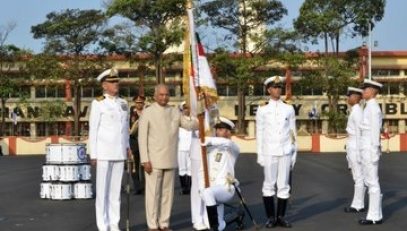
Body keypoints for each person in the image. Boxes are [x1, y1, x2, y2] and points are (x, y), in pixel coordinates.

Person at [138, 84, 198, 231]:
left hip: (170, 159)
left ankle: (164, 223)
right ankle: (152, 225)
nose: (164, 97)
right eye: (161, 95)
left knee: (167, 195)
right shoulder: (148, 112)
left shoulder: (174, 111)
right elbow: (142, 138)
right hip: (153, 160)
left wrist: (201, 115)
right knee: (153, 195)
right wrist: (145, 159)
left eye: (166, 94)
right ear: (155, 96)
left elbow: (189, 125)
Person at [88, 68, 132, 231]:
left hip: (119, 152)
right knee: (102, 192)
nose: (116, 84)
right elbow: (93, 129)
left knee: (115, 192)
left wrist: (127, 147)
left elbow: (125, 128)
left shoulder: (123, 103)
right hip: (104, 153)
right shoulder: (98, 103)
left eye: (117, 81)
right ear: (104, 85)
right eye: (112, 82)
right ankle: (102, 224)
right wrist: (93, 153)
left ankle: (114, 223)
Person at [256, 76, 297, 228]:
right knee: (268, 184)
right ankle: (270, 217)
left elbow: (293, 132)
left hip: (285, 150)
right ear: (268, 90)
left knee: (284, 185)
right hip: (269, 151)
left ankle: (280, 217)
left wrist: (294, 153)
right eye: (274, 87)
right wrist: (260, 154)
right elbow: (259, 132)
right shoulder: (262, 109)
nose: (278, 89)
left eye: (279, 87)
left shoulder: (289, 108)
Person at [201, 117, 240, 231]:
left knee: (208, 193)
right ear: (216, 131)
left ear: (229, 133)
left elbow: (226, 142)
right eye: (221, 129)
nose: (224, 132)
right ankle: (222, 223)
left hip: (226, 188)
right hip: (213, 188)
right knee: (209, 223)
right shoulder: (208, 148)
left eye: (227, 130)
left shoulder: (232, 148)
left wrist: (206, 140)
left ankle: (214, 228)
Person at [358, 79, 383, 225]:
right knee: (370, 181)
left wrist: (374, 151)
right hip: (365, 148)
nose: (363, 92)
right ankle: (375, 214)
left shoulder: (373, 108)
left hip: (369, 148)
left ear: (373, 91)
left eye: (366, 89)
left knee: (373, 182)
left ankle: (374, 216)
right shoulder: (368, 106)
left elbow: (374, 131)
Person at [344, 87, 366, 213]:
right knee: (357, 177)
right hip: (351, 144)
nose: (348, 98)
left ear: (357, 97)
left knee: (358, 177)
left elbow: (359, 133)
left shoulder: (357, 112)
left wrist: (358, 153)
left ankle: (358, 205)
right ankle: (358, 203)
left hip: (355, 146)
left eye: (350, 96)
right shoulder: (354, 110)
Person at [129, 94, 146, 195]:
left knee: (144, 165)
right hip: (134, 141)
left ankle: (144, 186)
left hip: (144, 141)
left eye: (141, 102)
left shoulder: (147, 113)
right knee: (134, 166)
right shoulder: (131, 114)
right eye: (137, 103)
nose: (139, 104)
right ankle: (137, 187)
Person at [177, 101, 192, 195]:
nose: (187, 110)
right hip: (181, 147)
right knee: (182, 168)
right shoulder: (178, 120)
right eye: (185, 108)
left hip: (191, 147)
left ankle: (190, 188)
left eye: (188, 108)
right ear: (182, 109)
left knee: (190, 169)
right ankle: (184, 188)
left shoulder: (194, 119)